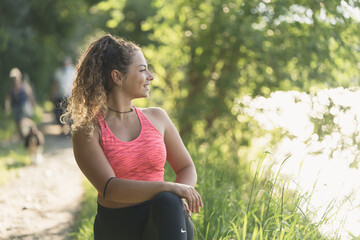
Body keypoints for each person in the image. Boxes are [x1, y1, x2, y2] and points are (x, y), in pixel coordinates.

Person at [63, 34, 203, 239]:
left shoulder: (158, 118)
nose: (151, 76)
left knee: (168, 201)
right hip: (119, 227)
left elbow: (186, 167)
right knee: (167, 196)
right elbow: (110, 188)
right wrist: (169, 187)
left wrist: (180, 196)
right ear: (117, 77)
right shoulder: (88, 130)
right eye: (142, 69)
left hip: (165, 218)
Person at [5, 68, 36, 139]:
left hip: (25, 107)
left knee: (27, 122)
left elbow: (30, 95)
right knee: (19, 123)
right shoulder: (11, 89)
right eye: (13, 78)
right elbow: (8, 98)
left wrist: (33, 104)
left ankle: (29, 135)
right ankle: (22, 137)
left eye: (15, 77)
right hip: (16, 108)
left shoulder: (24, 86)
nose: (14, 79)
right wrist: (7, 106)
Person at [50, 56, 76, 127]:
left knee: (71, 112)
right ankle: (62, 127)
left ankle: (70, 127)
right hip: (60, 95)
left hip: (70, 96)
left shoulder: (73, 71)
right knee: (60, 112)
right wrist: (53, 95)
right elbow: (55, 84)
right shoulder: (58, 71)